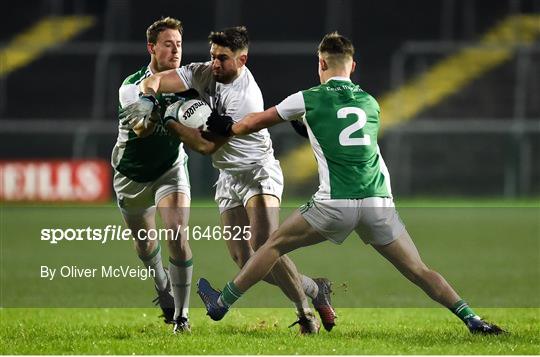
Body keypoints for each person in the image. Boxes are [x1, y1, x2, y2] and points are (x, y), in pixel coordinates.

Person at [196, 32, 504, 335]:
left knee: (272, 245)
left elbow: (252, 122)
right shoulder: (371, 103)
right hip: (378, 203)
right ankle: (473, 319)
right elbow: (346, 134)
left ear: (321, 64)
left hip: (335, 204)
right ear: (352, 66)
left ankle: (222, 302)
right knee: (419, 270)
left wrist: (227, 126)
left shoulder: (307, 98)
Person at [120, 26, 336, 333]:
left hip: (257, 171)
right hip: (229, 176)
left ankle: (305, 315)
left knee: (264, 244)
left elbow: (206, 146)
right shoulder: (203, 72)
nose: (215, 64)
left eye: (223, 58)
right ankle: (315, 288)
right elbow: (153, 79)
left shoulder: (244, 98)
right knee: (243, 258)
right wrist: (146, 97)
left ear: (242, 60)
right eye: (212, 56)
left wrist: (170, 120)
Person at [113, 17, 196, 333]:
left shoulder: (190, 84)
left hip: (170, 168)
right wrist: (167, 110)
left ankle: (182, 316)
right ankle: (162, 285)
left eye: (179, 44)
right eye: (168, 44)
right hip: (132, 174)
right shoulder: (130, 88)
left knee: (176, 232)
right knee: (146, 246)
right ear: (151, 47)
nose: (175, 50)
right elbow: (142, 129)